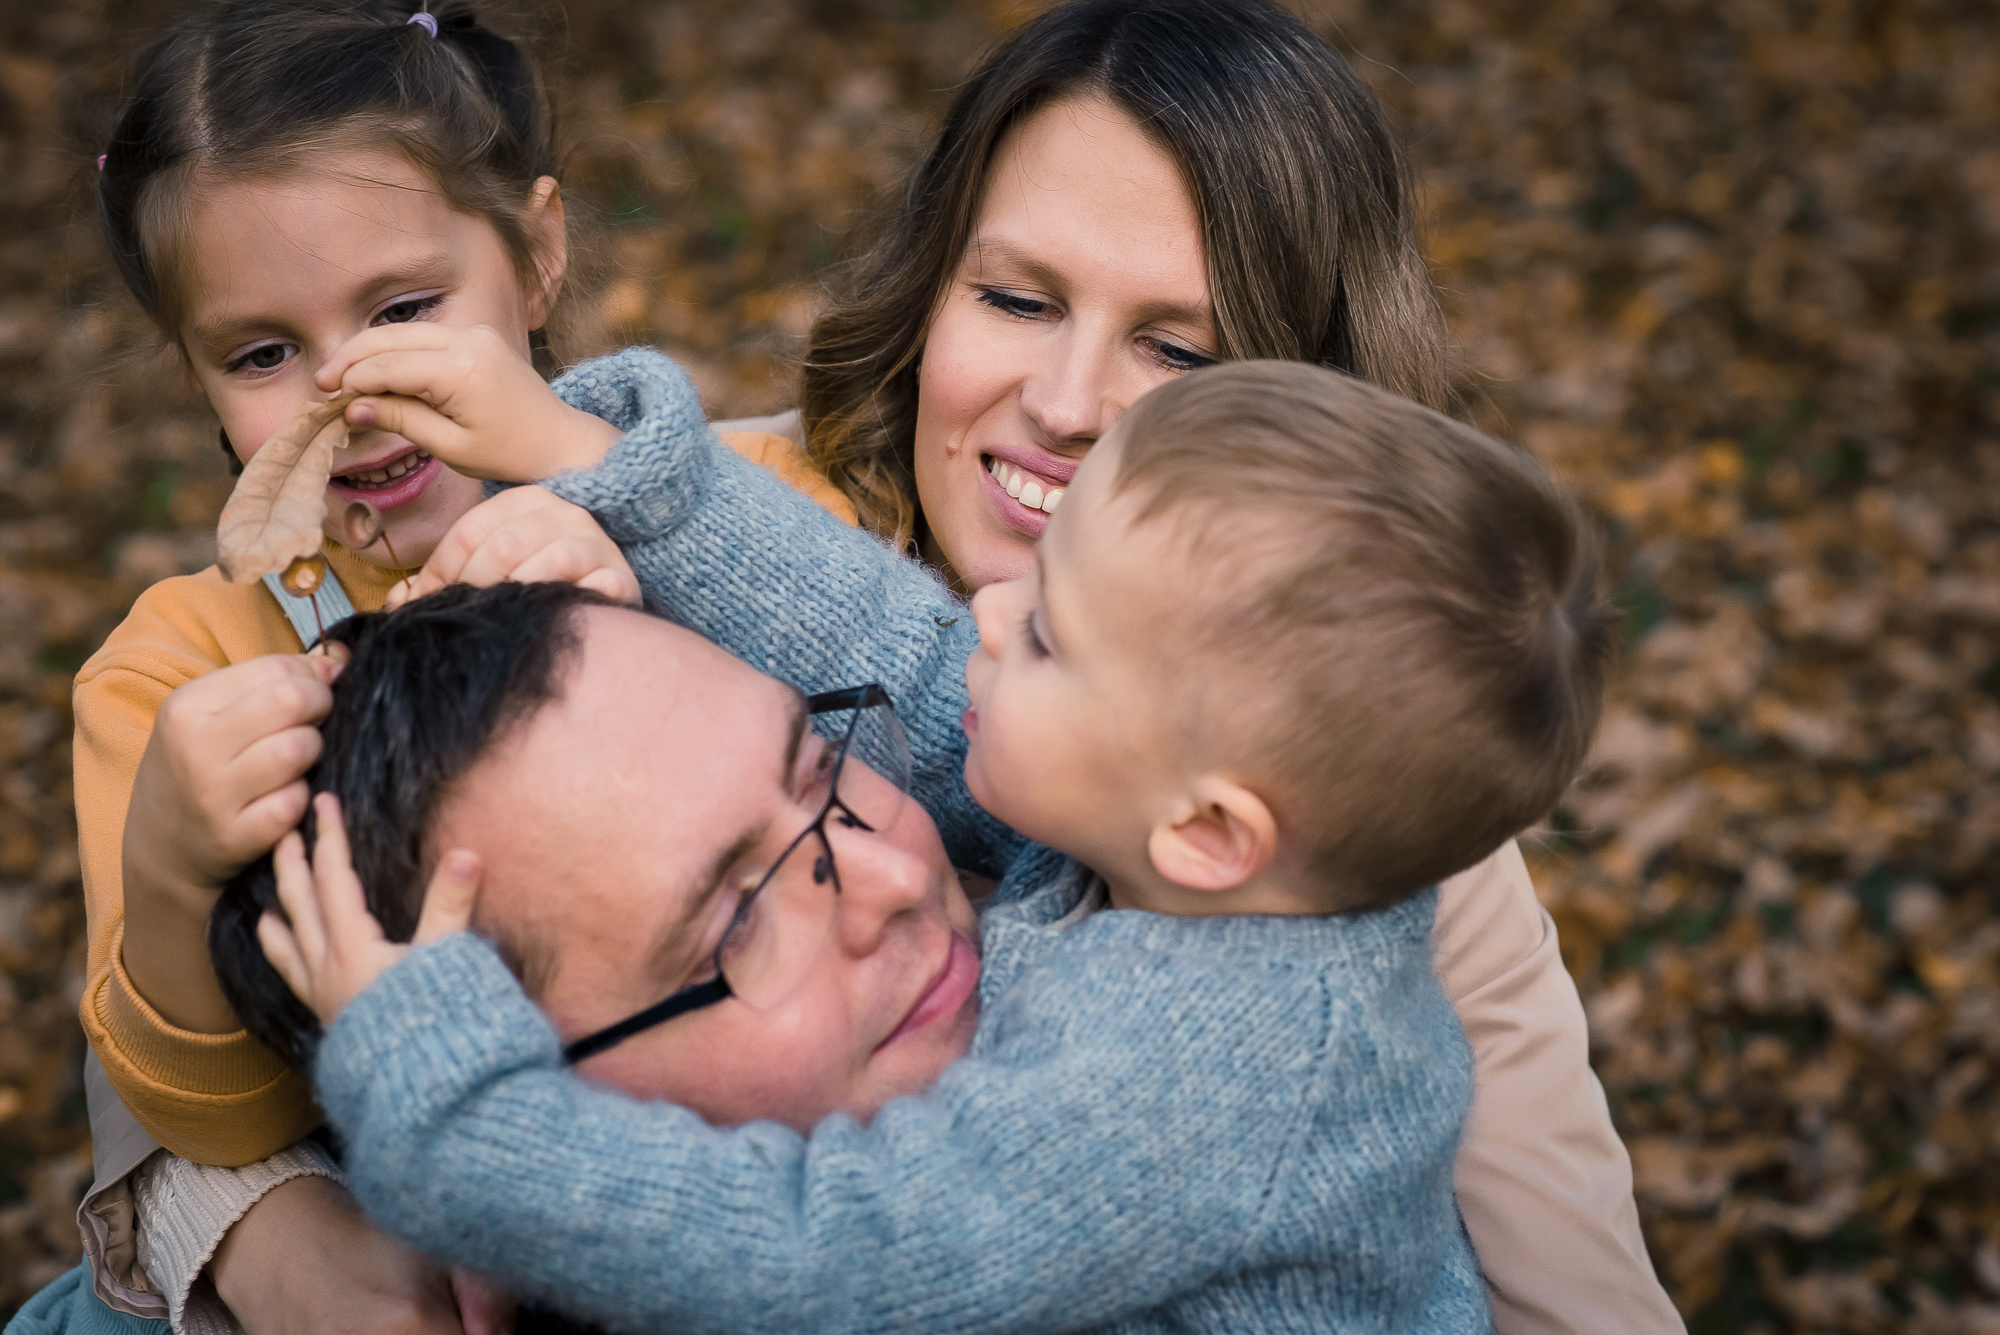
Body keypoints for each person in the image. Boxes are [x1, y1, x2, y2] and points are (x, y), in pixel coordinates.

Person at [241, 351, 1608, 1332]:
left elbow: (822, 1253)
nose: (988, 616)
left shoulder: (1196, 1084)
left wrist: (454, 1103)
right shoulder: (1214, 833)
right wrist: (638, 485)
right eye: (737, 917)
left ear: (1209, 830)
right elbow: (895, 645)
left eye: (1049, 637)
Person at [63, 1, 848, 1331]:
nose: (347, 392)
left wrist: (662, 583)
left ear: (536, 258)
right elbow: (224, 1121)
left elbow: (908, 756)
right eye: (262, 353)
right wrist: (173, 869)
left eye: (404, 308)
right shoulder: (183, 672)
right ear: (196, 374)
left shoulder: (739, 505)